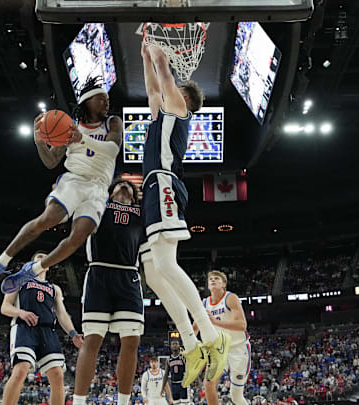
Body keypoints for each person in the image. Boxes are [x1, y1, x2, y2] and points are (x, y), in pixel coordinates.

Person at [0, 77, 123, 294]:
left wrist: (82, 139)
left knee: (78, 238)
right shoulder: (70, 125)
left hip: (99, 188)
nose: (106, 103)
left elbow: (112, 149)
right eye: (101, 99)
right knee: (48, 219)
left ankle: (33, 270)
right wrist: (40, 142)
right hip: (75, 179)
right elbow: (51, 161)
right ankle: (0, 263)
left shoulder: (113, 122)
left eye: (107, 99)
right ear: (87, 101)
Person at [139, 40, 229, 387]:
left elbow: (162, 79)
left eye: (168, 91)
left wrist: (158, 51)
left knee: (167, 265)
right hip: (151, 188)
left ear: (182, 98)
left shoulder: (179, 109)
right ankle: (191, 344)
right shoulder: (161, 113)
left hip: (164, 184)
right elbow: (151, 85)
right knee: (154, 273)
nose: (160, 94)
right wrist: (146, 55)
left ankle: (210, 335)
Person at [72, 179, 145, 405]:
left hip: (129, 275)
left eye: (129, 187)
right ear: (110, 193)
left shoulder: (142, 214)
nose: (124, 187)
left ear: (134, 197)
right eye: (119, 185)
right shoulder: (97, 205)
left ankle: (123, 402)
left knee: (132, 340)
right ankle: (78, 401)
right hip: (99, 274)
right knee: (92, 339)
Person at [0, 251, 83, 405]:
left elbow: (62, 314)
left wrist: (73, 334)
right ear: (32, 264)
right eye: (39, 257)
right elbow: (5, 307)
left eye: (46, 258)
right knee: (21, 370)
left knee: (58, 375)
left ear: (49, 266)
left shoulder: (54, 288)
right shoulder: (20, 281)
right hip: (24, 328)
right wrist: (20, 312)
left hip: (47, 331)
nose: (43, 259)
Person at [197, 271, 250, 405]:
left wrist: (216, 322)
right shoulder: (204, 303)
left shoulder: (230, 298)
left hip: (238, 348)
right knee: (208, 384)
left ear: (224, 284)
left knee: (236, 396)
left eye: (217, 279)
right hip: (219, 350)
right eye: (211, 279)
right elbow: (195, 327)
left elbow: (242, 325)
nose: (213, 280)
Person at [161, 340, 190, 405]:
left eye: (176, 344)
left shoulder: (183, 357)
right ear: (170, 346)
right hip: (173, 385)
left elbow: (189, 370)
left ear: (179, 346)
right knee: (176, 403)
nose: (174, 345)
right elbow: (166, 375)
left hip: (183, 383)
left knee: (185, 403)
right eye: (173, 344)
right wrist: (162, 388)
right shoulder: (169, 359)